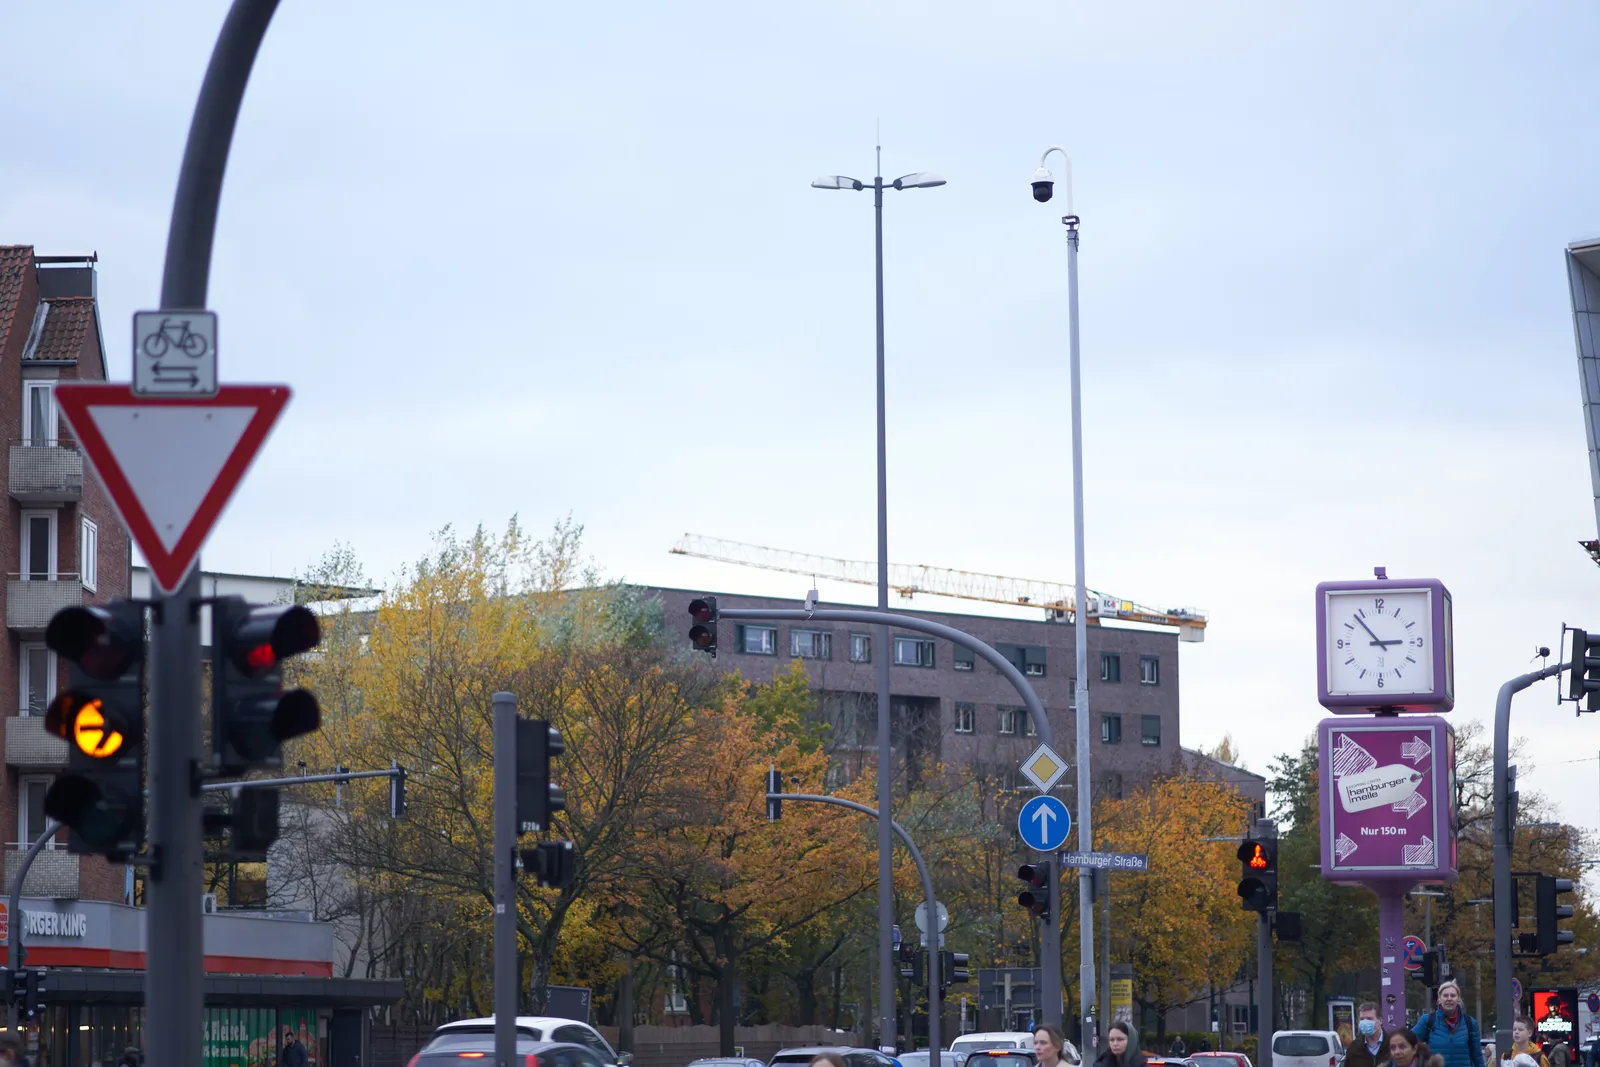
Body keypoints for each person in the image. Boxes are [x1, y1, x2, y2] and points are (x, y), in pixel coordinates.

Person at [1414, 981, 1485, 1067]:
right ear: (1439, 999)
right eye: (1445, 995)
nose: (1449, 998)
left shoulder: (1470, 1023)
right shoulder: (1427, 1020)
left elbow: (1477, 1056)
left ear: (1458, 999)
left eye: (1453, 995)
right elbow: (1409, 1043)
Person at [1346, 1003, 1388, 1067]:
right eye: (1362, 1019)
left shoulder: (1392, 1045)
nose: (1365, 1022)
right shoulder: (1353, 1048)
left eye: (1369, 1019)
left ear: (1380, 1020)